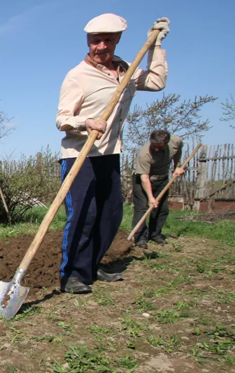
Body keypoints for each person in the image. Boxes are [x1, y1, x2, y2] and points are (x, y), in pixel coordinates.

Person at [55, 13, 170, 294]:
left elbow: (156, 81)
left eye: (107, 40)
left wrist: (153, 46)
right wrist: (86, 122)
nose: (101, 47)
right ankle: (72, 274)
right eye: (95, 41)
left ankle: (92, 265)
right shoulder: (77, 76)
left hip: (110, 154)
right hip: (80, 155)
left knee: (110, 215)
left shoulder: (127, 71)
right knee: (84, 215)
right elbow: (62, 118)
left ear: (117, 41)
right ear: (88, 41)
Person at [131, 130, 184, 248]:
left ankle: (155, 234)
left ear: (167, 143)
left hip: (162, 179)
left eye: (159, 147)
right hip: (142, 180)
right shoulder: (144, 154)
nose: (155, 150)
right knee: (142, 208)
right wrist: (151, 198)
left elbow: (178, 151)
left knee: (162, 208)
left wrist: (177, 167)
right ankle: (139, 237)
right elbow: (144, 178)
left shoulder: (176, 141)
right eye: (153, 146)